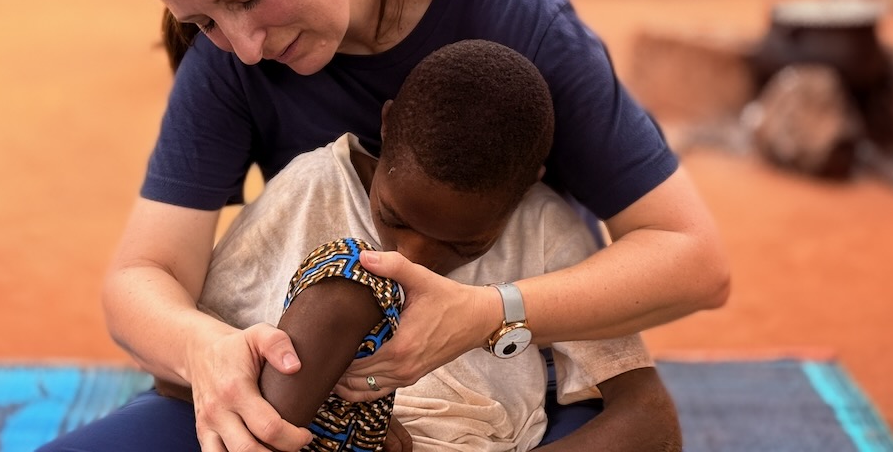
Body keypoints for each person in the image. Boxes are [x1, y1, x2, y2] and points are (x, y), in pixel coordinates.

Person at [41, 0, 729, 452]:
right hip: (311, 390)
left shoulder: (520, 24)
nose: (244, 47)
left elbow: (693, 259)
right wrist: (205, 350)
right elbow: (142, 277)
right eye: (203, 21)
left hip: (509, 385)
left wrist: (489, 312)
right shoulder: (234, 68)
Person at [155, 39, 680, 451]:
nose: (412, 259)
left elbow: (649, 417)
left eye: (463, 245)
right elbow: (188, 369)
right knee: (353, 279)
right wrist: (341, 418)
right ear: (386, 128)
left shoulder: (544, 230)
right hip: (297, 437)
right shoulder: (313, 188)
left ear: (523, 190)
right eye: (394, 217)